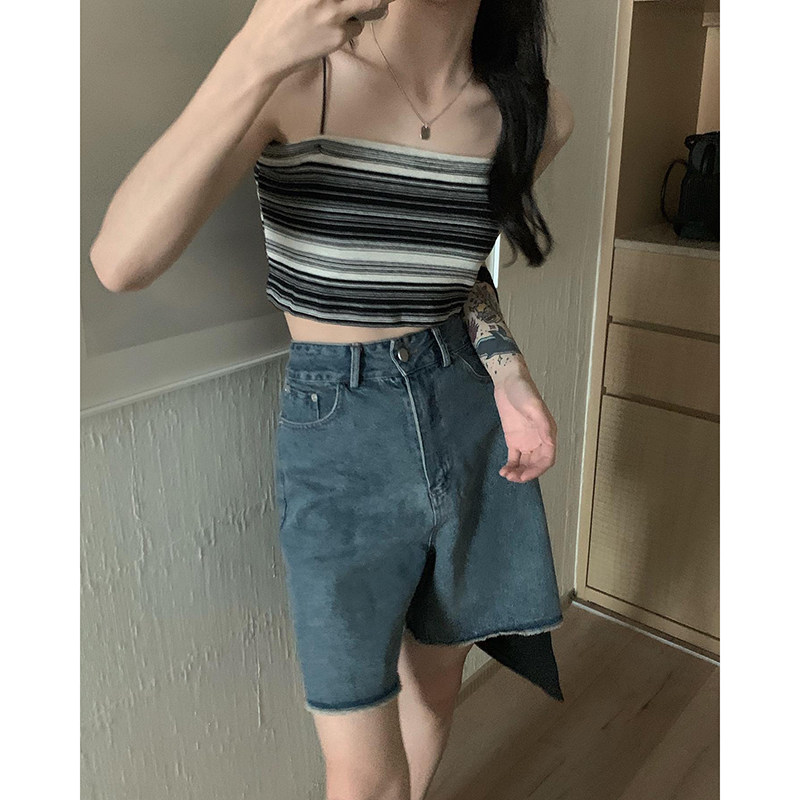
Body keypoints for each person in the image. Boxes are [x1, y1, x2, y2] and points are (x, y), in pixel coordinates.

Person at [89, 1, 575, 798]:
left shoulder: (536, 113)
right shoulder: (295, 77)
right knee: (359, 769)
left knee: (436, 688)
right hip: (341, 431)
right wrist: (255, 51)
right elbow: (121, 261)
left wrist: (507, 366)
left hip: (469, 416)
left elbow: (444, 266)